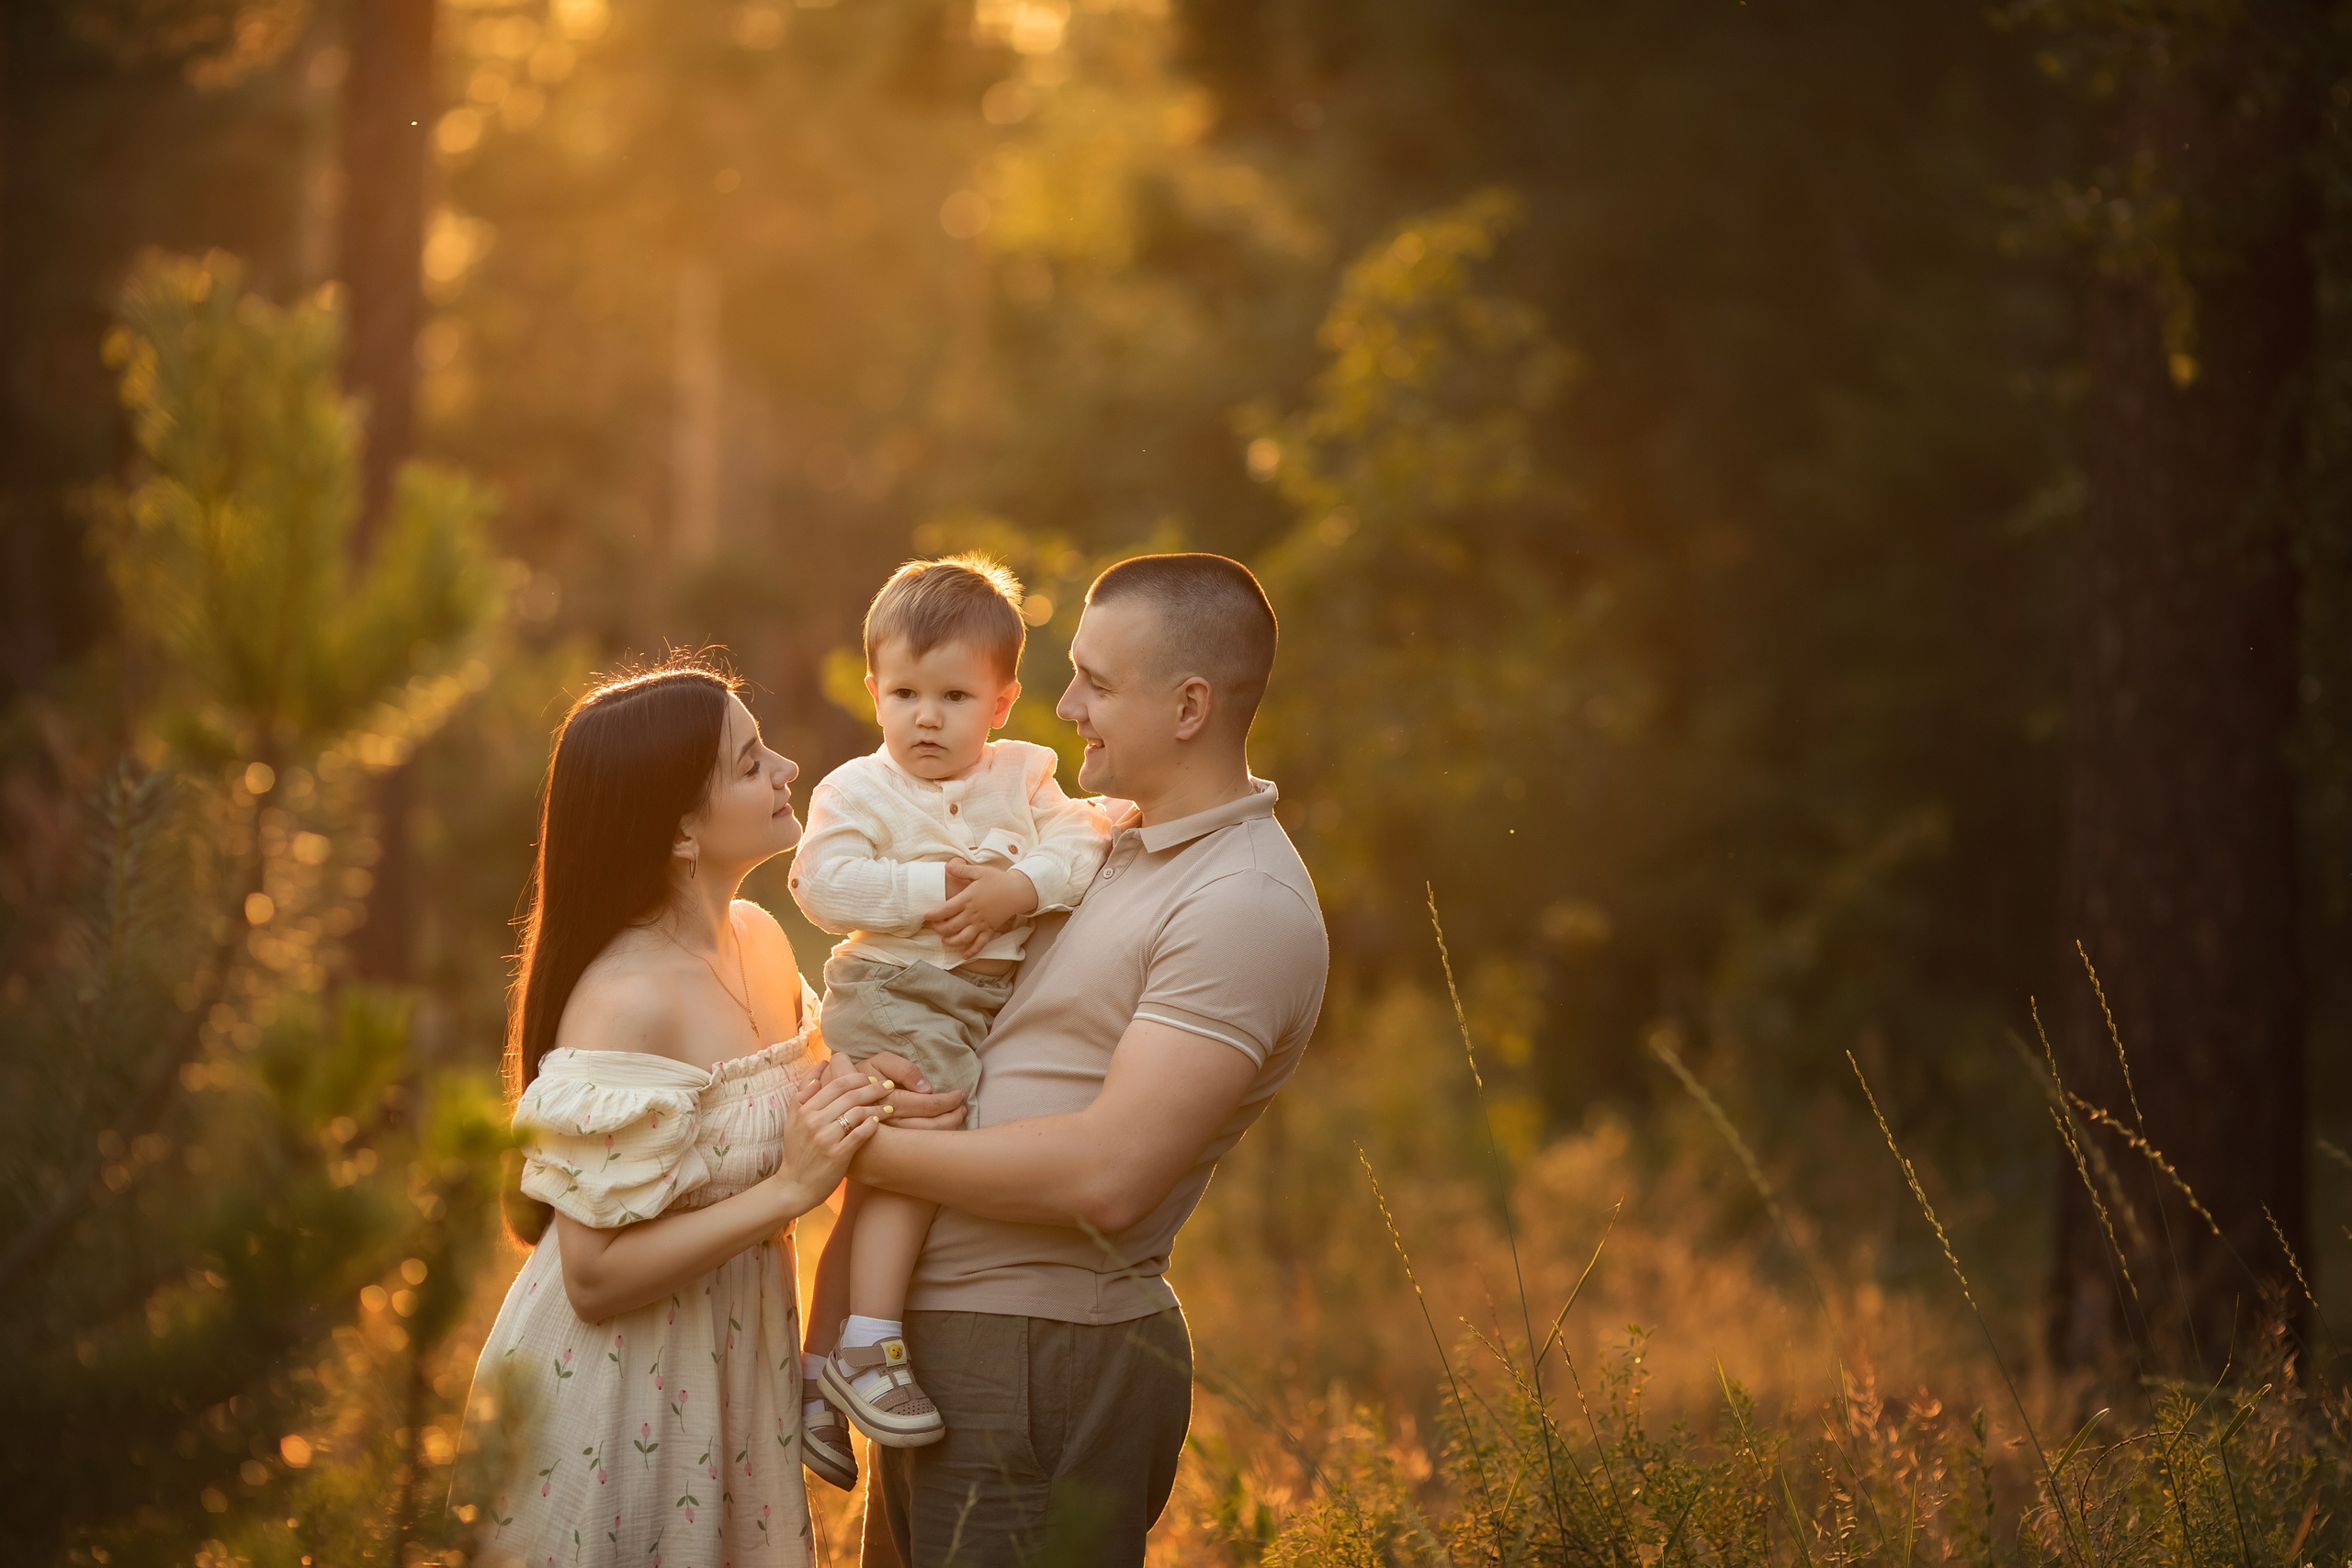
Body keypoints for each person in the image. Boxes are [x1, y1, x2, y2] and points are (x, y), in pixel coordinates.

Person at [842, 553, 1330, 1567]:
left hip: (1038, 1354)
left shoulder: (1242, 903)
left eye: (1098, 684)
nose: (1064, 709)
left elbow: (1111, 1178)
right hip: (950, 1344)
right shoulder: (1102, 843)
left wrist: (860, 1153)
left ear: (1190, 705)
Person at [447, 657, 965, 1568]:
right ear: (682, 832)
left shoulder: (759, 938)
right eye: (750, 761)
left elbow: (770, 1103)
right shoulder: (625, 997)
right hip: (618, 1404)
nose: (786, 771)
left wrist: (855, 1077)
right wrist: (791, 1192)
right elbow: (593, 1279)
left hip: (731, 1377)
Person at [789, 556, 1110, 1469]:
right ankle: (869, 1344)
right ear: (873, 691)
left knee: (871, 1191)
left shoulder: (1025, 777)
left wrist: (1016, 887)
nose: (925, 717)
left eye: (954, 697)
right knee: (917, 1156)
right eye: (904, 693)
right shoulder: (857, 789)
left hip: (970, 998)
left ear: (1002, 703)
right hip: (897, 989)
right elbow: (820, 882)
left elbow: (1083, 844)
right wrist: (931, 885)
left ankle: (813, 1376)